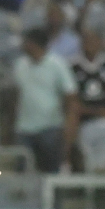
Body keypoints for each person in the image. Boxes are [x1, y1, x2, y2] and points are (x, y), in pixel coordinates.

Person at [13, 27, 79, 172]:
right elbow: (17, 94)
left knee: (50, 169)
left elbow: (70, 95)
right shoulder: (20, 65)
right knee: (22, 170)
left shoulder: (57, 64)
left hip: (50, 126)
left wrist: (69, 126)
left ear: (33, 44)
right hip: (24, 127)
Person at [71, 28, 105, 122]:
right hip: (83, 113)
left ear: (100, 42)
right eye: (87, 40)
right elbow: (71, 97)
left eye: (93, 40)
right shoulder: (73, 67)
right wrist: (92, 111)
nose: (90, 44)